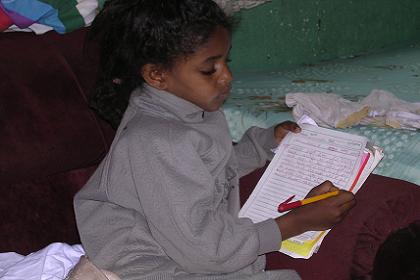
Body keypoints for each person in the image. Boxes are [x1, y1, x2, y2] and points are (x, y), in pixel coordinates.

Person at [74, 0, 356, 279]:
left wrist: (264, 143)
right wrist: (292, 224)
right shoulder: (158, 140)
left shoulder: (195, 111)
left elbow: (212, 169)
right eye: (210, 69)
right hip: (150, 265)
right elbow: (202, 249)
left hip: (189, 250)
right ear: (157, 75)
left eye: (226, 61)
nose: (227, 77)